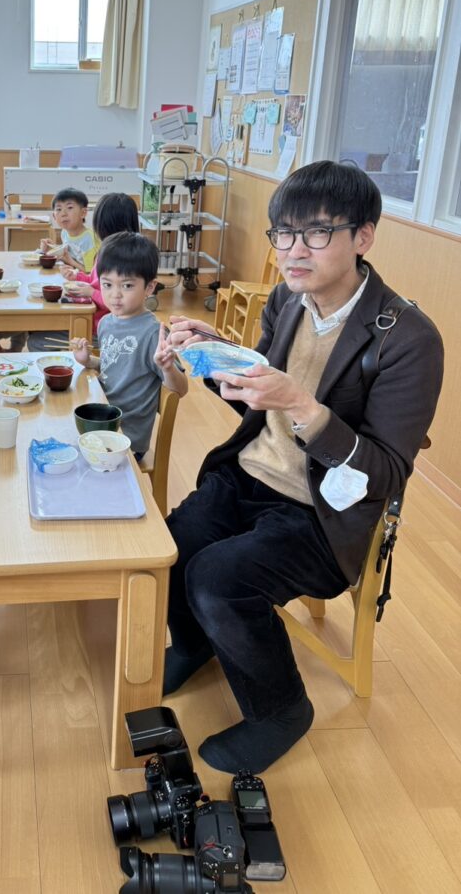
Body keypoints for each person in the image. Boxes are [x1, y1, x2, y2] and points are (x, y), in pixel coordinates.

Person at [163, 161, 443, 774]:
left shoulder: (408, 338)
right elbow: (257, 394)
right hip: (251, 472)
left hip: (323, 512)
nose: (293, 250)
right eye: (283, 233)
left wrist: (303, 406)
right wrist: (213, 355)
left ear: (363, 236)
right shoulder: (289, 300)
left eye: (316, 232)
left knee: (218, 579)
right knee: (171, 545)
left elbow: (384, 473)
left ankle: (282, 710)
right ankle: (193, 642)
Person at [70, 232, 188, 458]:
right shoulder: (106, 322)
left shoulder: (154, 334)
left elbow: (181, 390)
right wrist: (88, 361)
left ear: (149, 287)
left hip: (126, 438)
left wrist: (167, 369)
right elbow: (116, 365)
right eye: (107, 284)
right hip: (101, 419)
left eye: (126, 286)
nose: (115, 295)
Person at [27, 191, 139, 353]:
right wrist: (77, 276)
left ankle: (74, 366)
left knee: (37, 341)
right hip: (97, 321)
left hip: (104, 330)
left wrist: (91, 292)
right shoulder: (111, 252)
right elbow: (95, 281)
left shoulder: (117, 257)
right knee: (37, 329)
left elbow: (120, 302)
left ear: (103, 225)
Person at [39, 188, 99, 273]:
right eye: (59, 209)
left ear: (83, 213)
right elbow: (70, 254)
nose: (63, 213)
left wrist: (70, 261)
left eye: (69, 207)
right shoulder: (64, 232)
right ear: (54, 216)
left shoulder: (89, 239)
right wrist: (51, 249)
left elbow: (91, 274)